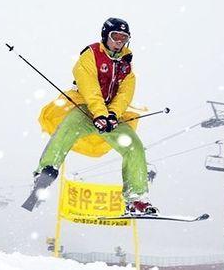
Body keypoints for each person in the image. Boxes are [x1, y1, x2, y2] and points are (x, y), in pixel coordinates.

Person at [35, 17, 157, 214]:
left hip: (109, 116)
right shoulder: (90, 55)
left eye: (123, 37)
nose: (119, 41)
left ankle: (136, 198)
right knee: (67, 129)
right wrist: (99, 114)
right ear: (105, 35)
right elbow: (89, 88)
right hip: (85, 107)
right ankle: (45, 172)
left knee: (134, 146)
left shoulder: (127, 65)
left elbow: (125, 94)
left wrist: (112, 115)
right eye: (115, 36)